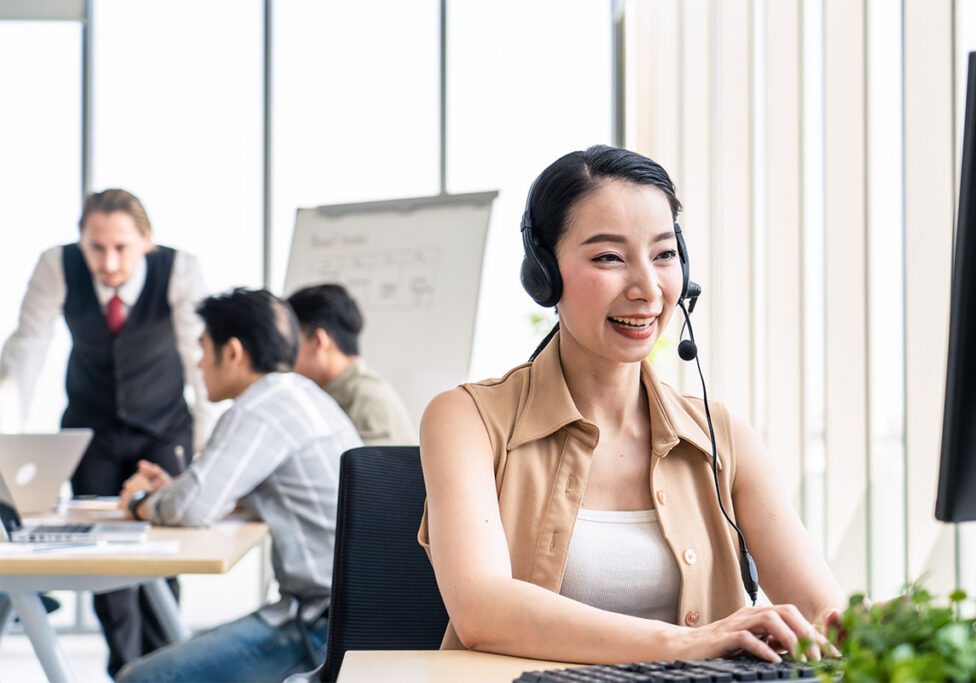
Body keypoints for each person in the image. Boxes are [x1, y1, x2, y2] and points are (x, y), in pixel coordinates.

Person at [416, 145, 846, 665]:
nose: (648, 288)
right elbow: (481, 609)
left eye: (664, 255)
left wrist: (903, 628)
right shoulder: (467, 420)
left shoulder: (723, 435)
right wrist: (685, 644)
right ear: (543, 274)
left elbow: (821, 610)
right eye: (609, 258)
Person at [0, 188, 213, 676]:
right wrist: (7, 445)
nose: (108, 262)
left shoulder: (179, 269)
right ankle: (125, 669)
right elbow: (25, 352)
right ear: (81, 242)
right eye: (95, 248)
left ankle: (165, 667)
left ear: (147, 242)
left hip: (164, 428)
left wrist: (205, 452)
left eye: (121, 247)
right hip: (88, 429)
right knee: (100, 556)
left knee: (162, 554)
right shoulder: (57, 266)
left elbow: (199, 365)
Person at [114, 287, 363, 683]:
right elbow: (215, 489)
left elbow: (194, 507)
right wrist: (175, 490)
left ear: (232, 352)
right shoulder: (298, 395)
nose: (197, 364)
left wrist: (141, 501)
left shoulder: (260, 409)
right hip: (343, 612)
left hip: (325, 626)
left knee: (140, 679)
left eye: (202, 348)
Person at [288, 283, 416, 446]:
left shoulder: (366, 398)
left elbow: (368, 471)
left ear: (318, 341)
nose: (283, 354)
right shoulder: (331, 393)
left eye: (289, 343)